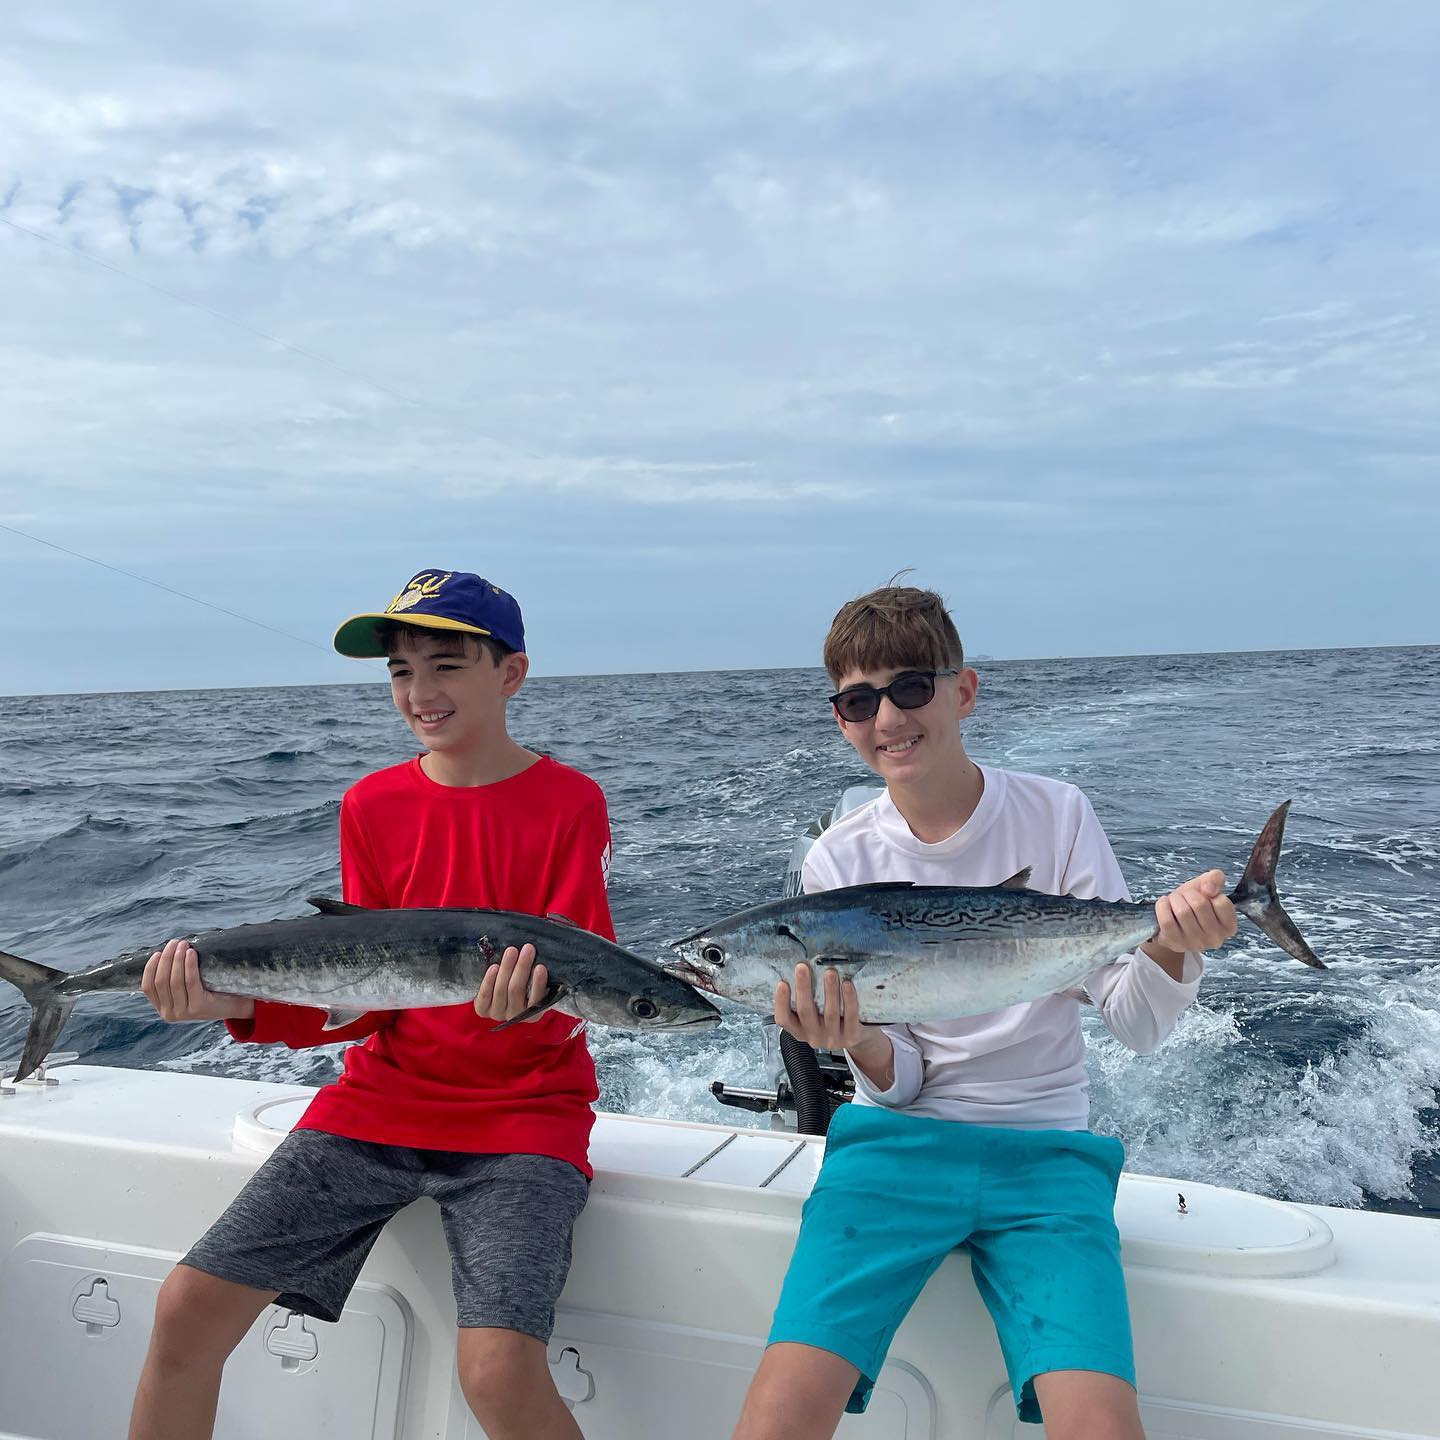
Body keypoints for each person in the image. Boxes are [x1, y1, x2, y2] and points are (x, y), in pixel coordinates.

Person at [731, 583, 1237, 1440]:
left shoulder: (1057, 815)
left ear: (962, 691)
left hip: (1046, 1158)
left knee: (1103, 1427)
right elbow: (904, 1079)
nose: (888, 716)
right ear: (840, 720)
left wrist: (1171, 944)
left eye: (911, 688)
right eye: (860, 700)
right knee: (776, 1420)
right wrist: (855, 1039)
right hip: (891, 1153)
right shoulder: (837, 861)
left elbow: (1137, 1024)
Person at [128, 568, 614, 1440]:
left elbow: (585, 985)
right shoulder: (372, 804)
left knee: (497, 1370)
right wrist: (227, 1009)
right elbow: (364, 991)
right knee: (183, 1310)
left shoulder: (571, 802)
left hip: (524, 1116)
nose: (420, 693)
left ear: (511, 673)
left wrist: (534, 1009)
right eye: (400, 672)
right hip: (379, 1100)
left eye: (445, 666)